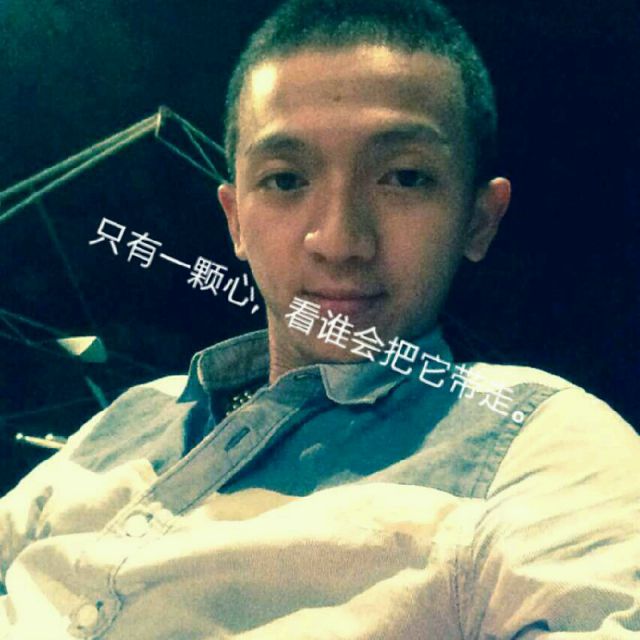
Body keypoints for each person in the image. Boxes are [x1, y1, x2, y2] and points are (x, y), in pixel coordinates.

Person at [1, 0, 639, 638]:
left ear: (479, 220)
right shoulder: (134, 416)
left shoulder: (537, 444)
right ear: (235, 220)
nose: (338, 242)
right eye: (285, 181)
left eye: (404, 177)